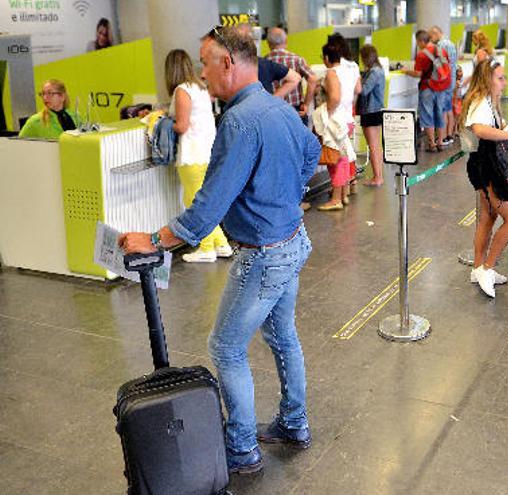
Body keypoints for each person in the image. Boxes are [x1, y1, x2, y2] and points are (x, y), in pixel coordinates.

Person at [118, 25, 320, 473]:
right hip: (292, 239)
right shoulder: (275, 105)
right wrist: (282, 194)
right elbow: (312, 150)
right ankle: (293, 423)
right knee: (282, 335)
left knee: (226, 346)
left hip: (264, 254)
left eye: (206, 63)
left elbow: (206, 210)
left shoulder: (240, 119)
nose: (202, 73)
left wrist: (152, 241)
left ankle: (243, 447)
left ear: (227, 62)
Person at [460, 60, 508, 298]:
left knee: (488, 218)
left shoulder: (486, 101)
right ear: (487, 79)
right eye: (500, 78)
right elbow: (481, 131)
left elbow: (490, 131)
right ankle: (487, 268)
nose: (504, 82)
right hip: (487, 165)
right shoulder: (481, 101)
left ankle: (478, 267)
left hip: (485, 162)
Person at [163, 49, 232, 263]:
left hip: (192, 155)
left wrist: (161, 122)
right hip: (208, 152)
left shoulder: (182, 91)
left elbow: (182, 126)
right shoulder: (201, 89)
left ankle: (206, 248)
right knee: (205, 202)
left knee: (195, 204)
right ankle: (221, 244)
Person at [316, 42, 360, 211]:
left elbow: (334, 97)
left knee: (335, 160)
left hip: (335, 120)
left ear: (327, 57)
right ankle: (343, 194)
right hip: (347, 119)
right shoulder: (349, 70)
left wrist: (325, 112)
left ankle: (336, 200)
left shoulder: (332, 73)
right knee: (342, 157)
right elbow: (358, 89)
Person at [406, 29, 452, 152]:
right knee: (440, 114)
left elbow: (418, 74)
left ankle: (431, 144)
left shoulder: (421, 55)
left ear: (420, 41)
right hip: (441, 87)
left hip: (427, 88)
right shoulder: (441, 51)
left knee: (427, 115)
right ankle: (440, 142)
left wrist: (406, 71)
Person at [265, 27, 318, 126]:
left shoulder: (264, 62)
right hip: (296, 111)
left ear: (268, 43)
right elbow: (313, 79)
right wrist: (306, 104)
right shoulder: (297, 59)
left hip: (272, 112)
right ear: (286, 41)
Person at [358, 44, 386, 187]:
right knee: (376, 146)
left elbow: (364, 90)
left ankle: (377, 178)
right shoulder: (378, 70)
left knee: (373, 145)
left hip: (370, 111)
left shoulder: (374, 72)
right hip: (375, 110)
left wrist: (357, 82)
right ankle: (378, 176)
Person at [431, 25, 458, 146]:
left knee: (442, 111)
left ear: (436, 34)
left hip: (443, 82)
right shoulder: (451, 44)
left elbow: (440, 65)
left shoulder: (440, 46)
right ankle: (449, 135)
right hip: (451, 81)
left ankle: (441, 138)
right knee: (449, 110)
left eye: (431, 37)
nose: (431, 40)